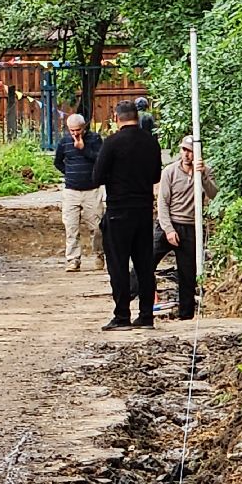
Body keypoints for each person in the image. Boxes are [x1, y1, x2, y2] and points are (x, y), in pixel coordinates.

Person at [94, 99, 162, 331]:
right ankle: (146, 315)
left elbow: (97, 176)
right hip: (143, 210)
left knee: (118, 264)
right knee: (144, 265)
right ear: (138, 116)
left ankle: (122, 315)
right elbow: (155, 176)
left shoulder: (112, 143)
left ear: (116, 118)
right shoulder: (151, 143)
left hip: (119, 211)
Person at [153, 136, 217, 320]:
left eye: (190, 151)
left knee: (187, 273)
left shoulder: (205, 172)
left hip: (191, 227)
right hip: (169, 224)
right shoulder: (170, 172)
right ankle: (130, 297)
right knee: (146, 261)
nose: (186, 154)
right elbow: (163, 204)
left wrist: (203, 174)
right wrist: (168, 230)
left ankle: (186, 315)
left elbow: (213, 193)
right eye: (184, 150)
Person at [54, 113, 104, 272]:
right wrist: (69, 173)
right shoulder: (64, 142)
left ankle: (99, 254)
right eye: (71, 130)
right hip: (71, 191)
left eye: (78, 130)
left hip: (92, 190)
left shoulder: (95, 140)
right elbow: (58, 162)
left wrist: (84, 149)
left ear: (84, 127)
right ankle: (73, 259)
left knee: (97, 227)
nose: (75, 133)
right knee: (71, 227)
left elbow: (101, 159)